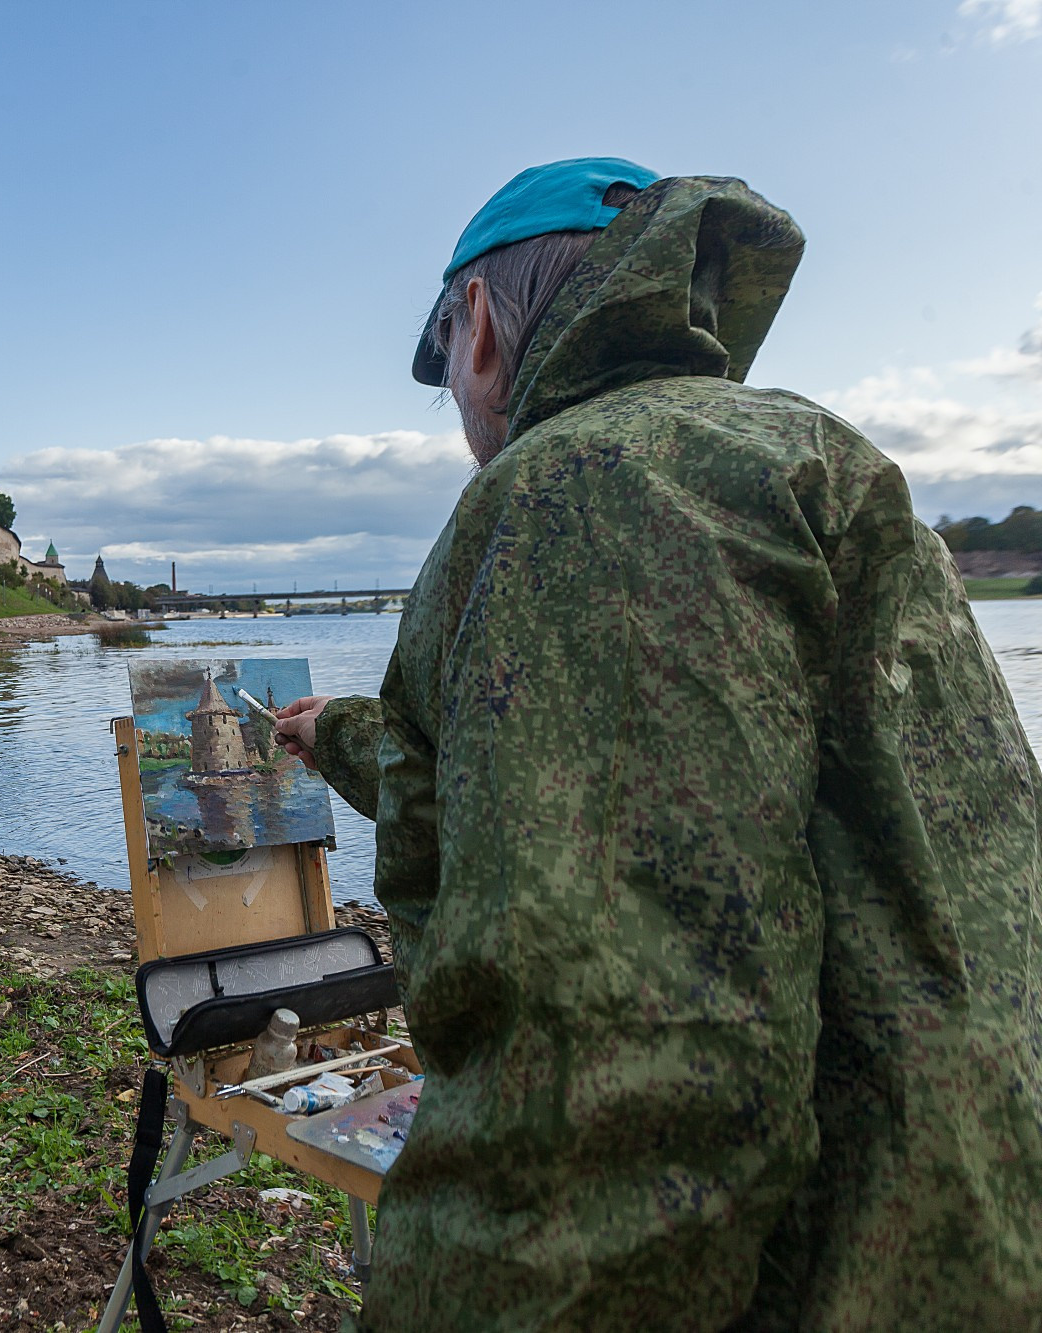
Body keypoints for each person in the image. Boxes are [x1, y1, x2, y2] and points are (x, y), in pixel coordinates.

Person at [274, 158, 1042, 1329]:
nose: (462, 417)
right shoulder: (805, 455)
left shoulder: (586, 491)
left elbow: (618, 1076)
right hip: (960, 1218)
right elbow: (598, 786)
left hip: (813, 1272)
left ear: (478, 326)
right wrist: (336, 733)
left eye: (446, 370)